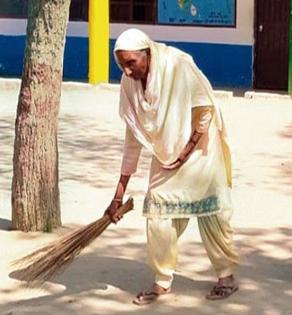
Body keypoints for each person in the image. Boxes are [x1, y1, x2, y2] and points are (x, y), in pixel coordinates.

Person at [105, 28, 239, 305]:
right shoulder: (129, 84)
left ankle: (226, 276)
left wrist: (186, 151)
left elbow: (204, 111)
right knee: (157, 213)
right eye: (122, 64)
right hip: (166, 152)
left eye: (131, 63)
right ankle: (161, 281)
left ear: (147, 54)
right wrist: (118, 194)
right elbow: (134, 137)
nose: (127, 71)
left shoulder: (177, 65)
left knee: (211, 212)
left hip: (201, 149)